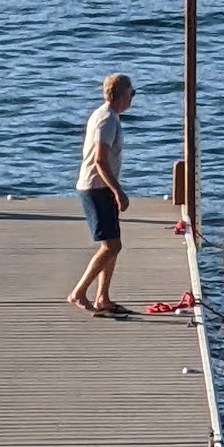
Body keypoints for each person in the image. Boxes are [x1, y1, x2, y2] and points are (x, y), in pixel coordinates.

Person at [67, 73, 134, 316]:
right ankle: (78, 292)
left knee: (113, 244)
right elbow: (100, 160)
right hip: (96, 188)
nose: (132, 99)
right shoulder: (106, 119)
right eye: (132, 94)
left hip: (101, 186)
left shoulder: (106, 115)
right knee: (111, 245)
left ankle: (102, 297)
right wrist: (118, 191)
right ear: (122, 95)